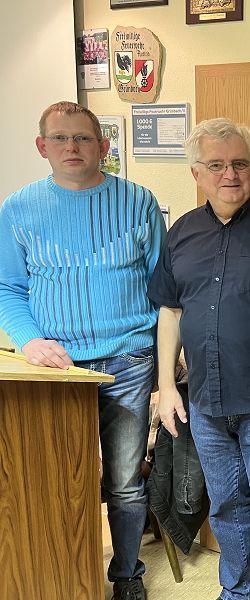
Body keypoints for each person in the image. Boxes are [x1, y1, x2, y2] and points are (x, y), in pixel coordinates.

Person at [0, 101, 165, 600]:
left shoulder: (139, 202)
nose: (71, 147)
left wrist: (167, 367)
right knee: (53, 479)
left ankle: (127, 574)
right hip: (58, 367)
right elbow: (9, 288)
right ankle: (58, 572)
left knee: (124, 482)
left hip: (129, 361)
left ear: (103, 146)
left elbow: (163, 288)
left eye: (83, 138)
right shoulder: (18, 208)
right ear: (42, 146)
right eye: (60, 138)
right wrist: (29, 341)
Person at [147, 118, 250, 600]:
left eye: (239, 163)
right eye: (216, 165)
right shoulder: (181, 233)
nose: (229, 174)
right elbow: (171, 311)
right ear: (196, 173)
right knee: (227, 508)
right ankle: (238, 590)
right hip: (205, 402)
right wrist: (166, 386)